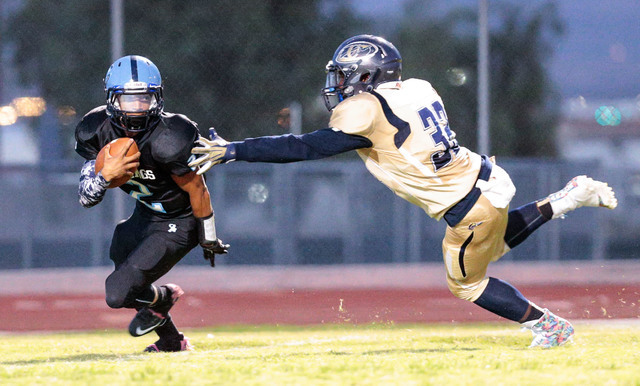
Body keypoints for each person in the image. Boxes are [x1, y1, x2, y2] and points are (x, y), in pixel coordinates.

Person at [188, 35, 618, 348]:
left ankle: (550, 327)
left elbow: (305, 146)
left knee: (467, 284)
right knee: (491, 246)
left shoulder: (364, 109)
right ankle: (566, 199)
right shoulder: (417, 87)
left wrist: (235, 150)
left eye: (344, 74)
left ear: (367, 74)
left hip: (465, 204)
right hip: (486, 177)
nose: (337, 83)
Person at [75, 55, 229, 352]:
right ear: (111, 99)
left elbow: (198, 189)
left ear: (157, 98)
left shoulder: (170, 136)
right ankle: (172, 340)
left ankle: (162, 300)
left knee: (117, 293)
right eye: (128, 100)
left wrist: (207, 237)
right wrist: (104, 177)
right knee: (121, 255)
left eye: (144, 98)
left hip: (179, 221)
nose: (137, 107)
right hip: (146, 214)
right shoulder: (95, 130)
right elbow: (86, 198)